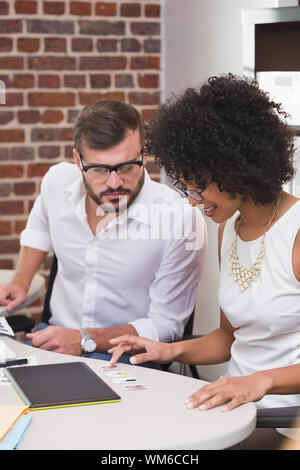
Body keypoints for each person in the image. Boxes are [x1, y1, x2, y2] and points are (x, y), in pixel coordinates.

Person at [109, 74, 300, 448]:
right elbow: (230, 338)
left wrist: (262, 380)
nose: (193, 201)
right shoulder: (227, 228)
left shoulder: (296, 233)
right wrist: (168, 350)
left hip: (285, 421)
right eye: (185, 187)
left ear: (237, 166)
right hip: (236, 411)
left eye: (199, 185)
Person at [0, 99, 206, 364]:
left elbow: (166, 325)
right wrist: (21, 281)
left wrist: (85, 338)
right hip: (55, 339)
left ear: (143, 155)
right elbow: (39, 229)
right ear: (78, 160)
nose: (114, 183)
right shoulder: (56, 182)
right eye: (98, 169)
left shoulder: (180, 218)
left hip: (127, 356)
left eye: (126, 167)